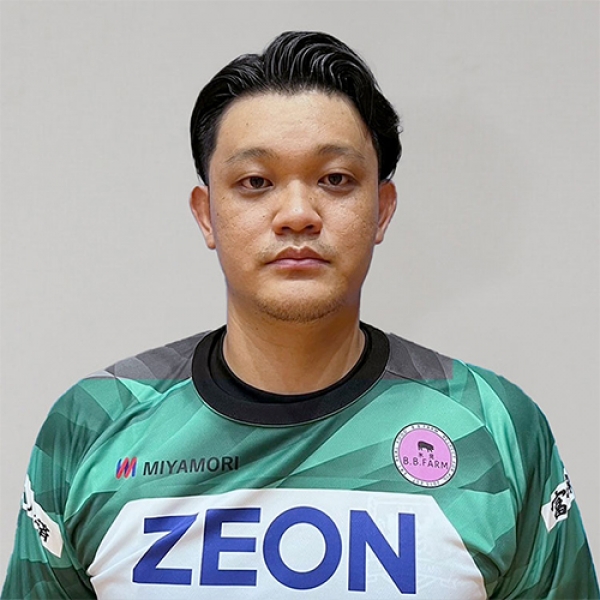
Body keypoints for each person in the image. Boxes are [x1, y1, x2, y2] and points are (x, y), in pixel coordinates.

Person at [2, 30, 597, 600]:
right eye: (255, 181)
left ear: (382, 210)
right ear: (207, 215)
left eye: (335, 179)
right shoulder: (94, 424)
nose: (297, 214)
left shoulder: (493, 424)